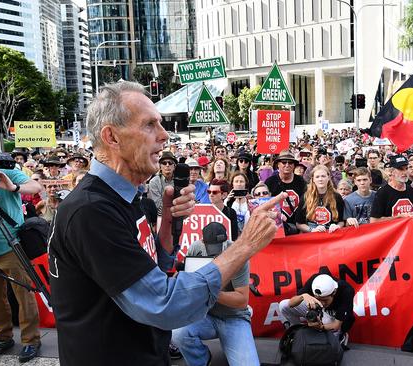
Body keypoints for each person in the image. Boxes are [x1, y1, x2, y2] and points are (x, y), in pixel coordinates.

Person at [48, 81, 285, 366]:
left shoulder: (129, 195)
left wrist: (169, 223)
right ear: (112, 137)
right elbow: (165, 303)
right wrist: (245, 245)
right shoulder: (90, 211)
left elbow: (151, 266)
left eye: (160, 124)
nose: (164, 135)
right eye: (149, 125)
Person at [0, 152, 44, 363]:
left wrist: (13, 187)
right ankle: (2, 337)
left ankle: (31, 340)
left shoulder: (2, 173)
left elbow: (36, 187)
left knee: (24, 293)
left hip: (10, 243)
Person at [172, 222, 258, 366]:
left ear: (226, 240)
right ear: (202, 241)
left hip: (233, 317)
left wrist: (210, 290)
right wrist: (179, 279)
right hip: (204, 314)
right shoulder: (196, 248)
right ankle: (202, 361)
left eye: (219, 248)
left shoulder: (239, 254)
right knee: (177, 332)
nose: (216, 253)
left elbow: (242, 300)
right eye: (211, 248)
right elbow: (185, 278)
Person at [279, 274, 355, 342]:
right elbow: (290, 304)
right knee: (283, 305)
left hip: (334, 318)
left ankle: (341, 336)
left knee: (326, 345)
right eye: (318, 299)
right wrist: (303, 296)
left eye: (325, 300)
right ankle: (297, 331)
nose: (321, 303)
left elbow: (336, 325)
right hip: (317, 310)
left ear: (334, 292)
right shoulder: (315, 281)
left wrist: (321, 327)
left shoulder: (346, 291)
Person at [265, 151, 307, 235]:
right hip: (276, 228)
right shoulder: (270, 182)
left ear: (294, 165)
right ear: (278, 164)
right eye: (284, 162)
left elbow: (306, 204)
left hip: (297, 228)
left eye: (290, 162)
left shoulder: (301, 182)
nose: (287, 165)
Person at [295, 165, 345, 233]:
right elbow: (299, 224)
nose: (320, 179)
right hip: (312, 237)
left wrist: (337, 226)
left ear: (328, 177)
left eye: (323, 176)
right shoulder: (305, 197)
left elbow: (341, 221)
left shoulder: (337, 197)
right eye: (317, 177)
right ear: (313, 179)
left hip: (331, 236)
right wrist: (312, 230)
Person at [370, 155, 413, 222]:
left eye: (406, 168)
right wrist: (398, 217)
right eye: (400, 169)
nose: (404, 172)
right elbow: (374, 221)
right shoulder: (383, 193)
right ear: (392, 171)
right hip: (391, 231)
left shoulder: (411, 190)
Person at [148, 151, 177, 216]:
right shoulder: (154, 182)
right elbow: (157, 205)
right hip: (160, 217)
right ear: (160, 167)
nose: (167, 165)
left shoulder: (179, 181)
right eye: (164, 163)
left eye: (170, 163)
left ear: (174, 166)